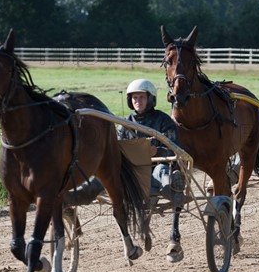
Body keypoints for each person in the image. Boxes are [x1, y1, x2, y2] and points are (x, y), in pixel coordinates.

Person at [64, 78, 185, 210]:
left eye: (141, 97)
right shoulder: (126, 123)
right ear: (130, 100)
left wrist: (157, 151)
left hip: (155, 171)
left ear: (150, 98)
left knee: (162, 170)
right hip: (132, 172)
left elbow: (175, 150)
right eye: (135, 98)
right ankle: (82, 194)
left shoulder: (163, 120)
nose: (137, 101)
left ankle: (173, 191)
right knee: (106, 173)